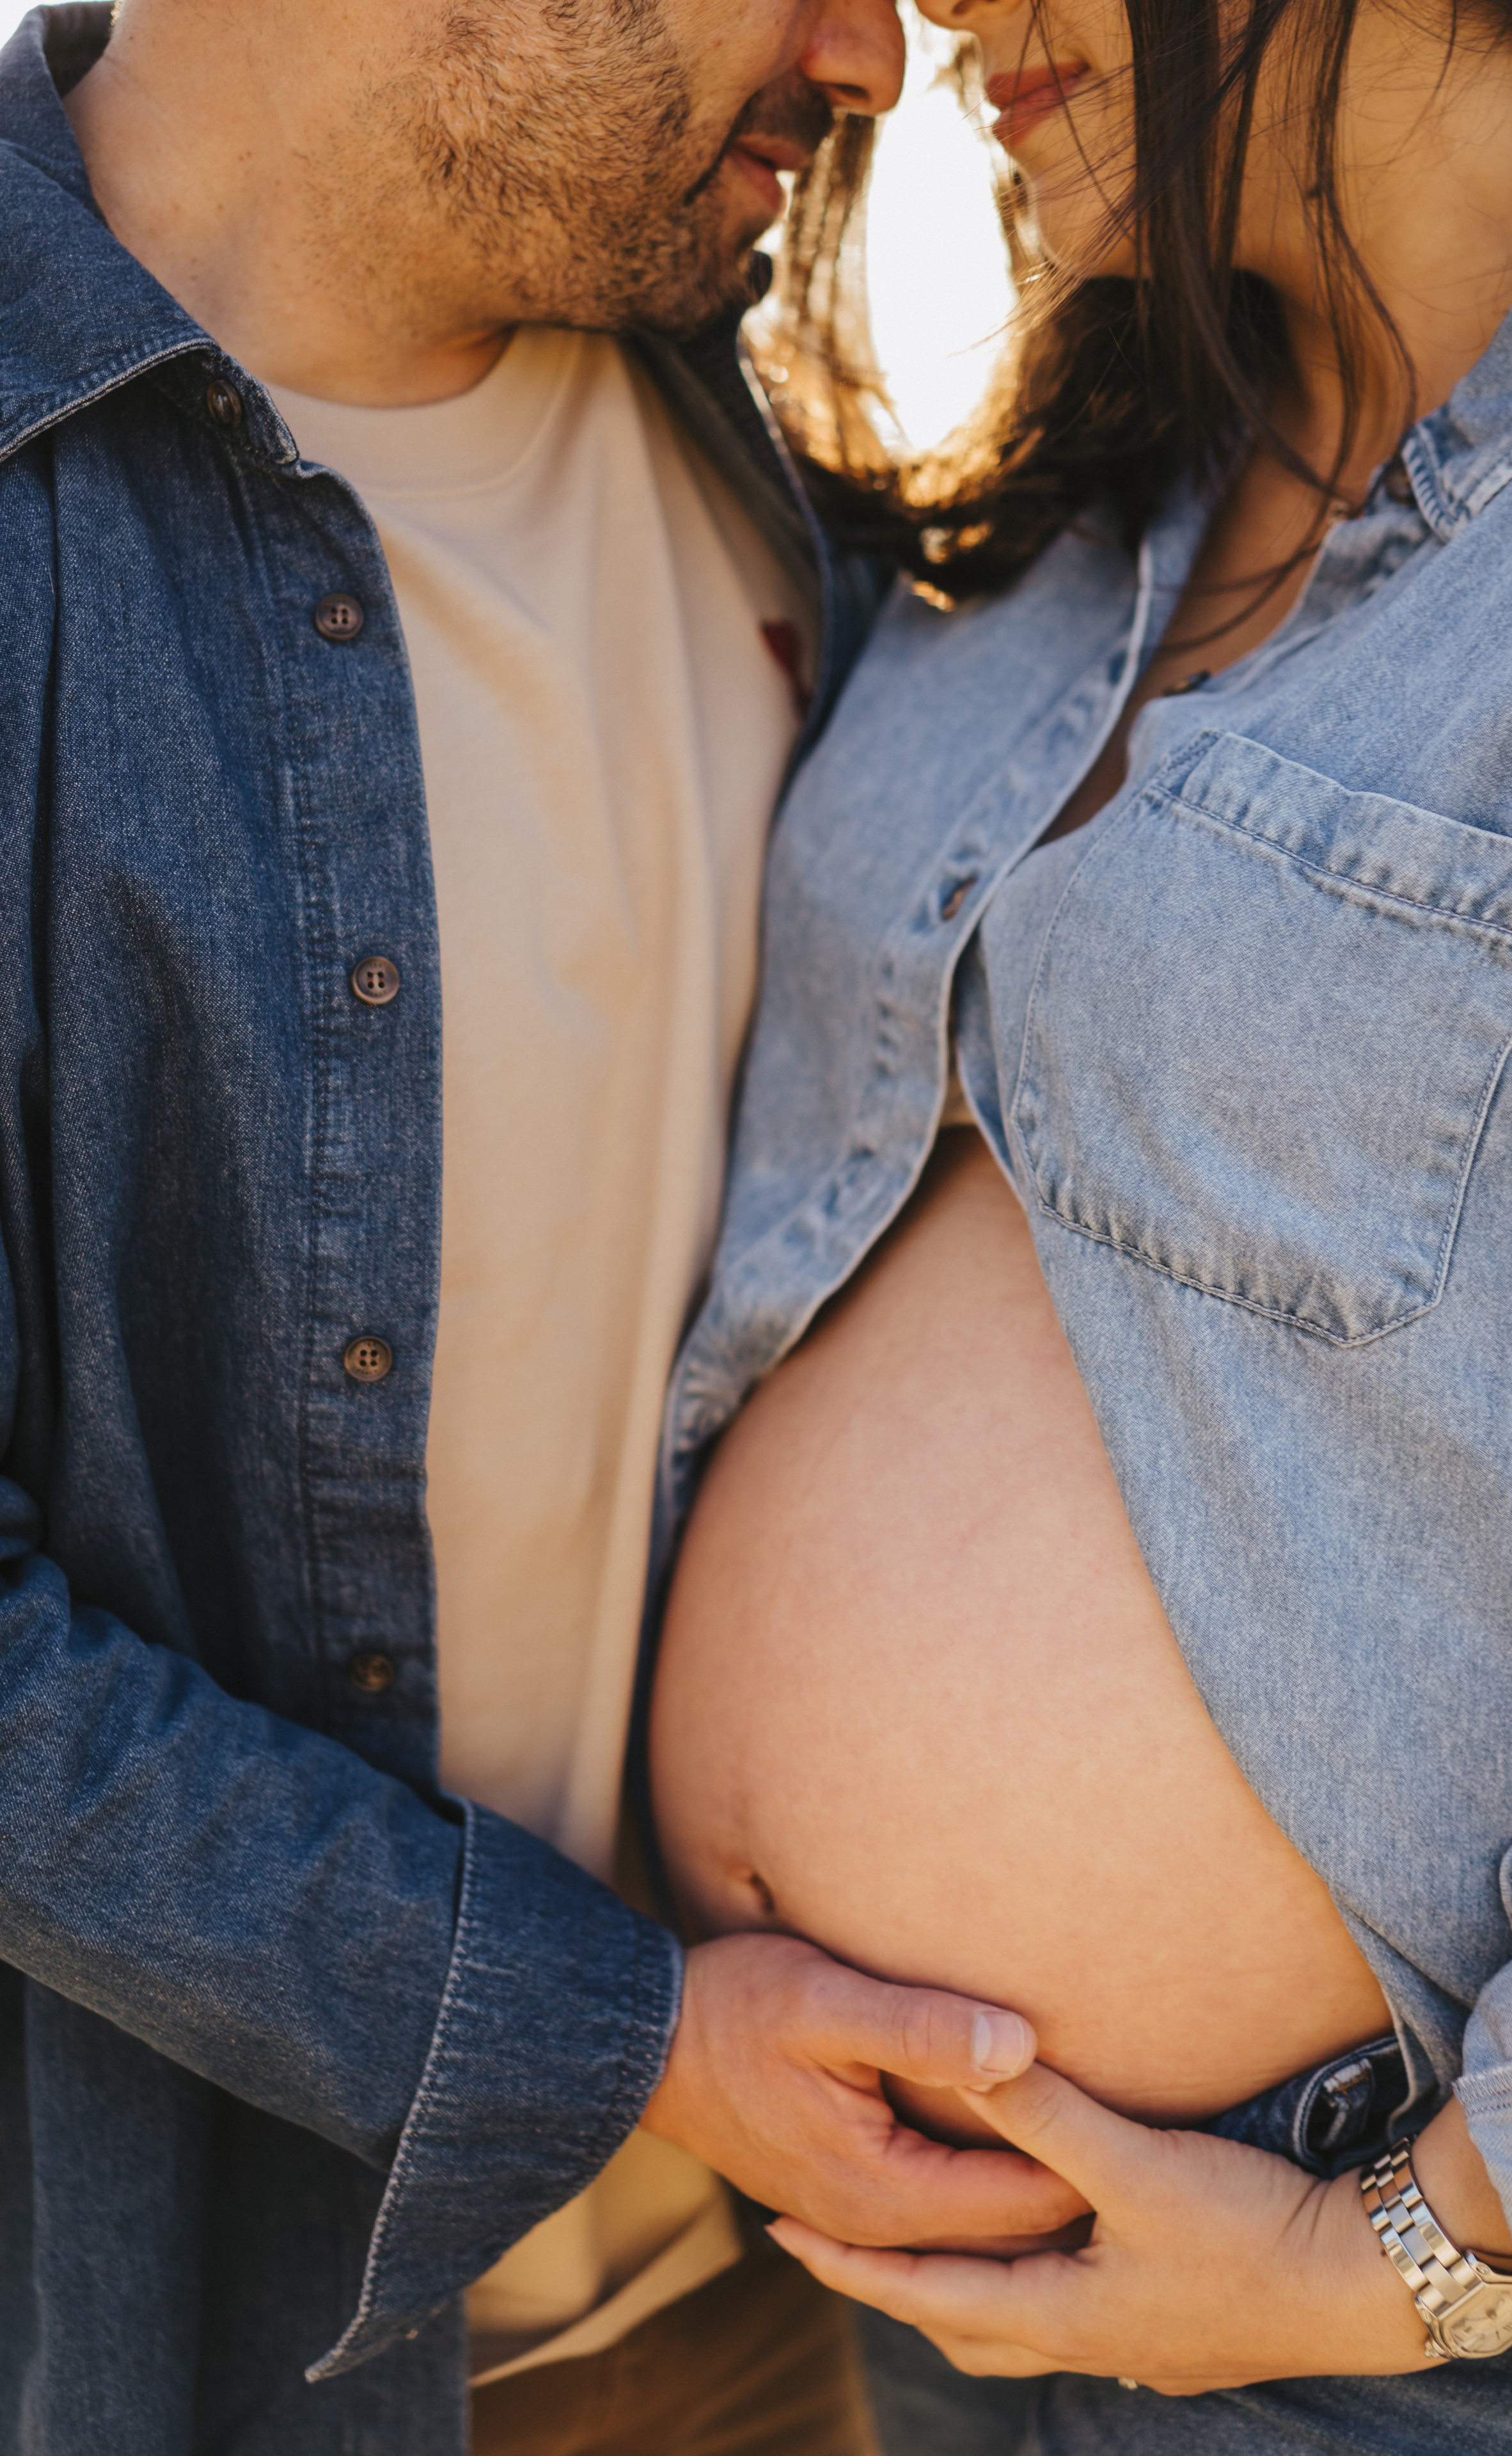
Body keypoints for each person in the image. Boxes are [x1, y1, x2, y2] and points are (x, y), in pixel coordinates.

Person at [0, 2, 1089, 2450]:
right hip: (229, 2364)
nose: (880, 52)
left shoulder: (758, 440)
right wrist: (628, 2048)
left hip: (788, 2314)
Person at [643, 0, 1512, 2446]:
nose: (928, 17)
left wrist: (1394, 2255)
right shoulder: (1109, 473)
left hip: (1374, 2333)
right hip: (860, 2247)